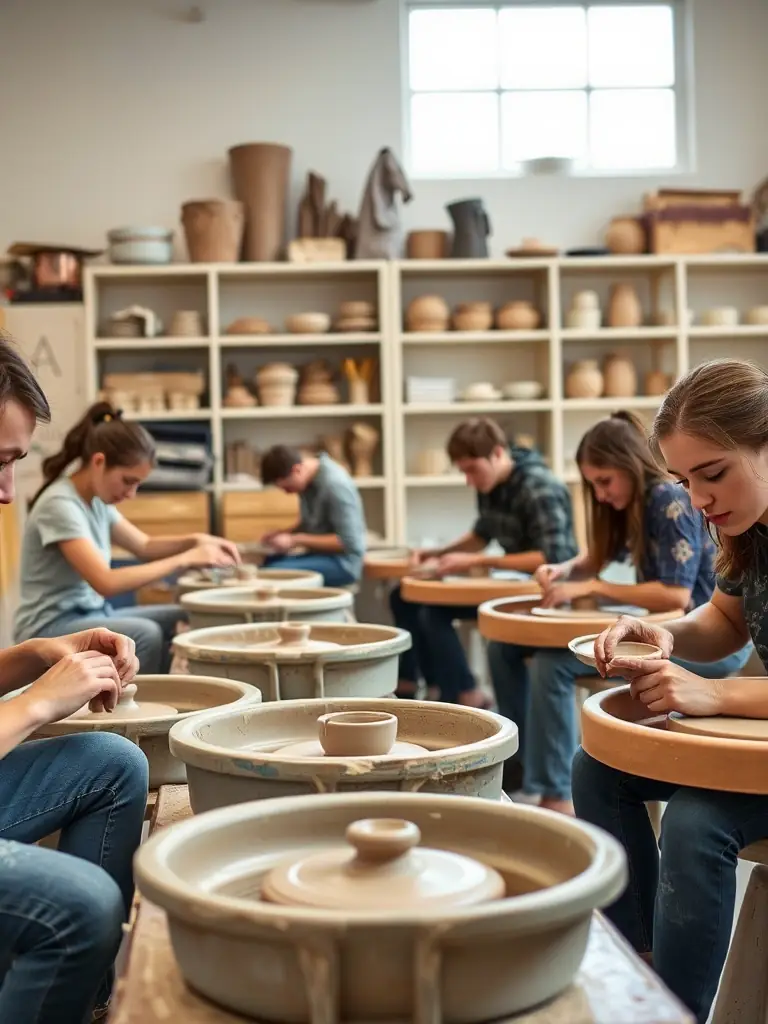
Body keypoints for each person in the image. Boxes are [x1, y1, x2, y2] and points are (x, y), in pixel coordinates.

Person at [572, 360, 768, 1024]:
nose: (700, 499)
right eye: (686, 481)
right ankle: (636, 969)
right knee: (597, 766)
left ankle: (670, 1013)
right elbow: (723, 621)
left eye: (713, 473)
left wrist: (716, 698)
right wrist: (659, 634)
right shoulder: (749, 528)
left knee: (695, 822)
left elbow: (724, 682)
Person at [489, 411, 751, 813]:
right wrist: (565, 570)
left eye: (604, 481)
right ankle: (528, 773)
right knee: (507, 648)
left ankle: (554, 793)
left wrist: (592, 587)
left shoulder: (669, 499)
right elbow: (595, 558)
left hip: (711, 644)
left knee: (553, 664)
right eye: (592, 484)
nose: (599, 494)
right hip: (684, 632)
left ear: (629, 465)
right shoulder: (634, 504)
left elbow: (674, 596)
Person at [0, 334, 148, 1023]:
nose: (9, 493)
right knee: (83, 905)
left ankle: (80, 999)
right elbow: (113, 578)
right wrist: (35, 704)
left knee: (116, 761)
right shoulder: (63, 502)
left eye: (15, 465)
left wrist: (36, 655)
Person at [14, 401, 238, 673]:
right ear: (99, 462)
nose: (131, 494)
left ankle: (170, 695)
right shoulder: (60, 505)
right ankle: (139, 710)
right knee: (145, 634)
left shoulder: (95, 500)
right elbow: (106, 582)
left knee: (186, 616)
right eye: (128, 481)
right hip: (49, 626)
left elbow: (143, 545)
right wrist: (186, 559)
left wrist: (198, 540)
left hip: (92, 615)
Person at [390, 417, 578, 708]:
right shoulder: (490, 484)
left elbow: (552, 558)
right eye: (463, 471)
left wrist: (476, 560)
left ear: (498, 453)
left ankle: (464, 693)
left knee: (432, 613)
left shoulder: (539, 487)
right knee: (403, 598)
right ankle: (437, 688)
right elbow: (481, 534)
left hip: (546, 589)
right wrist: (437, 553)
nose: (469, 480)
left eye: (472, 470)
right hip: (514, 583)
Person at [259, 445, 366, 587]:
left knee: (272, 572)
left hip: (343, 563)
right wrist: (284, 533)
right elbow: (313, 525)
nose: (287, 492)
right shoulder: (308, 481)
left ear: (297, 470)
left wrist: (294, 540)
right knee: (268, 561)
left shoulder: (335, 485)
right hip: (322, 555)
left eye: (287, 488)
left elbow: (349, 542)